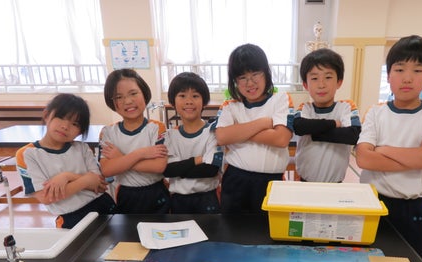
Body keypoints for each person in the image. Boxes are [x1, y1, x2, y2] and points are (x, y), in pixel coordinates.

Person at [355, 35, 422, 260]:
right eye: (399, 70)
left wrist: (382, 150)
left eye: (417, 70)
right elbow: (364, 159)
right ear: (388, 75)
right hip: (374, 202)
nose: (407, 78)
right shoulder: (376, 112)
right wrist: (416, 156)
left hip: (414, 207)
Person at [16, 94, 116, 229]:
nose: (65, 126)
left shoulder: (82, 148)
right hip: (71, 217)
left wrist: (67, 176)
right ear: (46, 115)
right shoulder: (28, 154)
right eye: (61, 117)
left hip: (104, 205)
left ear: (80, 131)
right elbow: (47, 197)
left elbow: (100, 185)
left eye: (75, 124)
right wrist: (87, 180)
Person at [216, 43, 293, 213]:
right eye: (242, 77)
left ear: (266, 73)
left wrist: (237, 131)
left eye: (255, 74)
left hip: (272, 182)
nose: (250, 83)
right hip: (236, 180)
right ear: (235, 81)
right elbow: (221, 137)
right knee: (232, 227)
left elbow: (281, 139)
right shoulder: (230, 105)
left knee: (269, 228)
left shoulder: (281, 99)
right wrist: (264, 123)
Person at [99, 68, 170, 214]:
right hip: (126, 194)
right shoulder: (108, 132)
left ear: (144, 93)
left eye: (133, 93)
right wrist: (141, 153)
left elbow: (158, 166)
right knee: (129, 229)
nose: (128, 101)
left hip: (157, 192)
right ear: (112, 102)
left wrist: (120, 159)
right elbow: (107, 170)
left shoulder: (157, 128)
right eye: (119, 97)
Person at [293, 48, 361, 182]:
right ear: (305, 84)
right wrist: (334, 123)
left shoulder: (346, 107)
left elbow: (354, 135)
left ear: (339, 82)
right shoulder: (305, 108)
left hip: (335, 184)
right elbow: (299, 127)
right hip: (305, 183)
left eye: (328, 77)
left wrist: (314, 133)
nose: (321, 85)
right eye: (314, 78)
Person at [164, 72, 223, 213]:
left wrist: (179, 168)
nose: (189, 101)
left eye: (195, 96)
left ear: (204, 101)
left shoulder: (213, 132)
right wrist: (197, 160)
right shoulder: (169, 136)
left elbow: (210, 170)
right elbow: (168, 170)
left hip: (207, 198)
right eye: (182, 96)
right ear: (173, 102)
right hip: (178, 200)